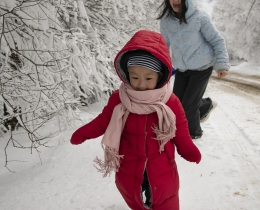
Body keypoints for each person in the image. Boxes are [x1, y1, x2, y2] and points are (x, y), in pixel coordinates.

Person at [70, 30, 201, 210]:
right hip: (130, 164)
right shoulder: (120, 98)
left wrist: (188, 149)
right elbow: (103, 121)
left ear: (160, 76)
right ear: (127, 74)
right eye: (135, 77)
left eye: (148, 78)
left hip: (161, 165)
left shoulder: (169, 101)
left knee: (165, 199)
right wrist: (82, 133)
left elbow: (180, 129)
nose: (140, 84)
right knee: (134, 195)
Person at [158, 0, 230, 139]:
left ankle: (194, 133)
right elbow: (164, 45)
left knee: (188, 105)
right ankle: (205, 105)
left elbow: (217, 40)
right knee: (177, 103)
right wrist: (161, 67)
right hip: (182, 69)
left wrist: (221, 64)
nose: (175, 1)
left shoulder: (199, 17)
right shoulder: (166, 21)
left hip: (202, 66)